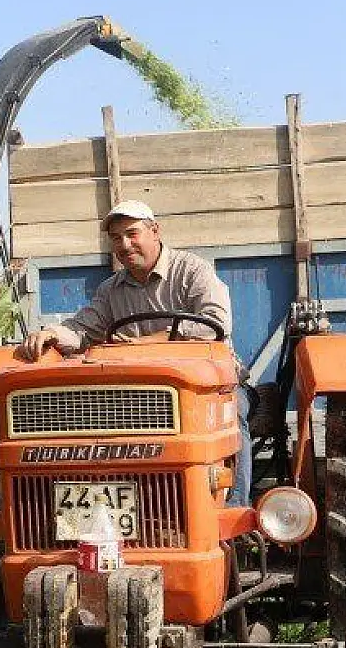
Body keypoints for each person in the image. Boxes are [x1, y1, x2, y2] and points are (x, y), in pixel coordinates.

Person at [14, 200, 252, 507]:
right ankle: (119, 508)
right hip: (143, 390)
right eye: (116, 238)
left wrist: (157, 339)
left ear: (155, 231)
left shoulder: (194, 272)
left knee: (234, 417)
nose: (125, 245)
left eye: (132, 234)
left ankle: (235, 511)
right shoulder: (111, 290)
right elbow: (83, 328)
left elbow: (215, 323)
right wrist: (50, 333)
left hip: (205, 388)